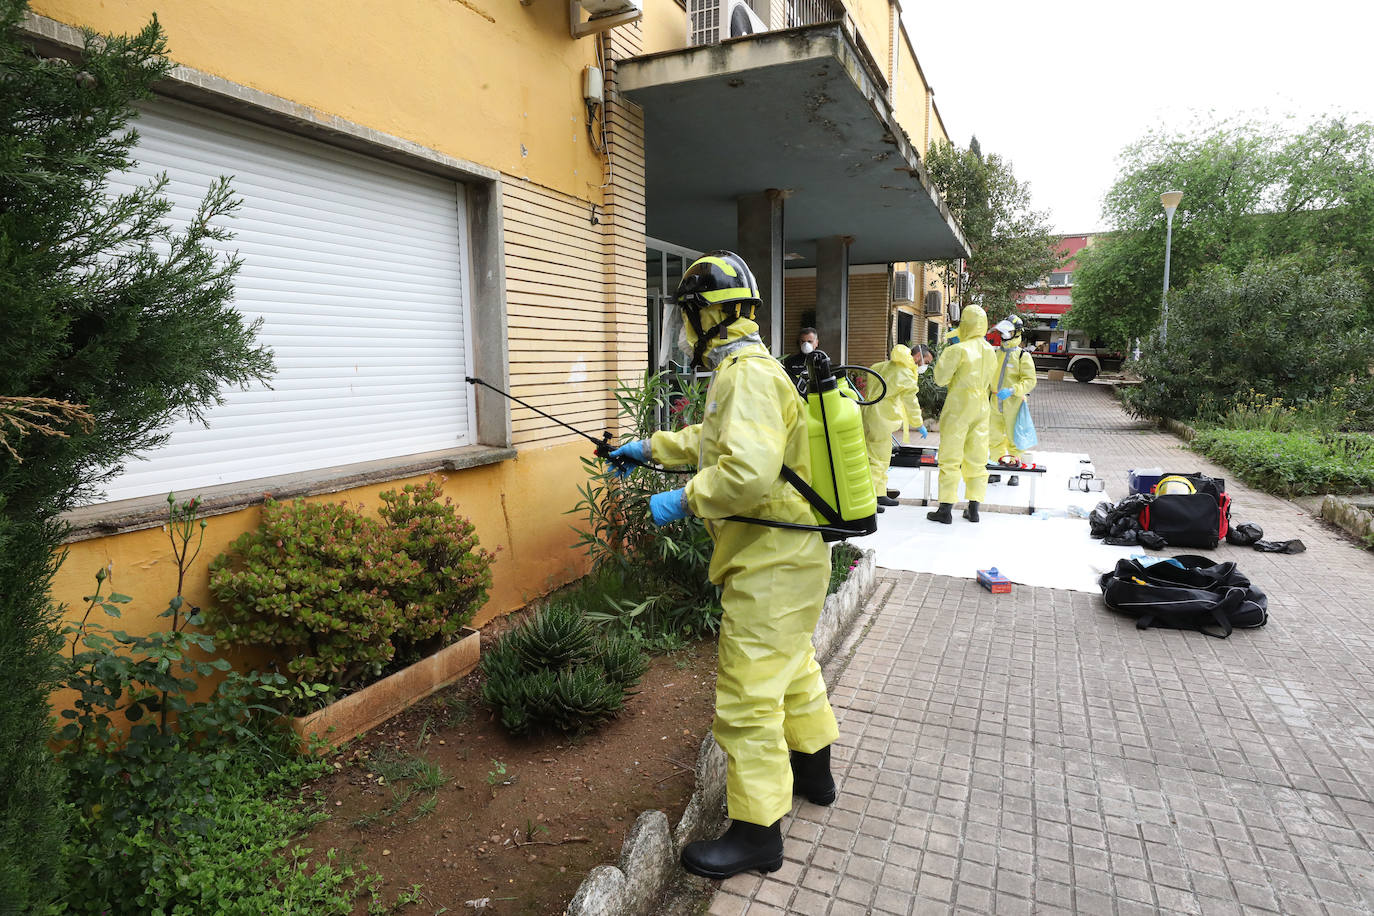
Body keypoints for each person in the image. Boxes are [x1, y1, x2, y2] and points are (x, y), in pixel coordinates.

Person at [606, 251, 839, 879]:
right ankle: (815, 774)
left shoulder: (744, 376)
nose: (683, 330)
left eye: (685, 316)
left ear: (707, 315)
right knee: (793, 667)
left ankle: (757, 835)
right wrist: (649, 446)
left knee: (746, 697)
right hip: (792, 556)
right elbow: (718, 443)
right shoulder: (749, 369)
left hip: (771, 562)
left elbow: (745, 473)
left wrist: (679, 500)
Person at [927, 304, 998, 524]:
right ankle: (974, 508)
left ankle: (946, 509)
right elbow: (993, 382)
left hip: (959, 404)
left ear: (965, 324)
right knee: (977, 456)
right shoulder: (990, 350)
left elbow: (940, 379)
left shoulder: (957, 349)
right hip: (982, 406)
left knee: (950, 456)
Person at [863, 345, 928, 511]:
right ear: (917, 357)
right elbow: (911, 402)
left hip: (870, 412)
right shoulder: (905, 373)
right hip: (882, 417)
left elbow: (871, 376)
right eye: (925, 362)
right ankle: (869, 500)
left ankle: (879, 494)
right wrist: (919, 423)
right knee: (877, 461)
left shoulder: (884, 365)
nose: (924, 366)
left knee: (881, 457)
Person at [987, 315, 1037, 486]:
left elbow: (1030, 380)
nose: (1004, 334)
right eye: (1004, 331)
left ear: (1017, 332)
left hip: (1013, 403)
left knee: (1014, 438)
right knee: (994, 437)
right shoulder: (995, 353)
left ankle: (1014, 470)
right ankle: (996, 468)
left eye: (1008, 331)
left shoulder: (1023, 356)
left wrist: (1012, 390)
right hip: (994, 402)